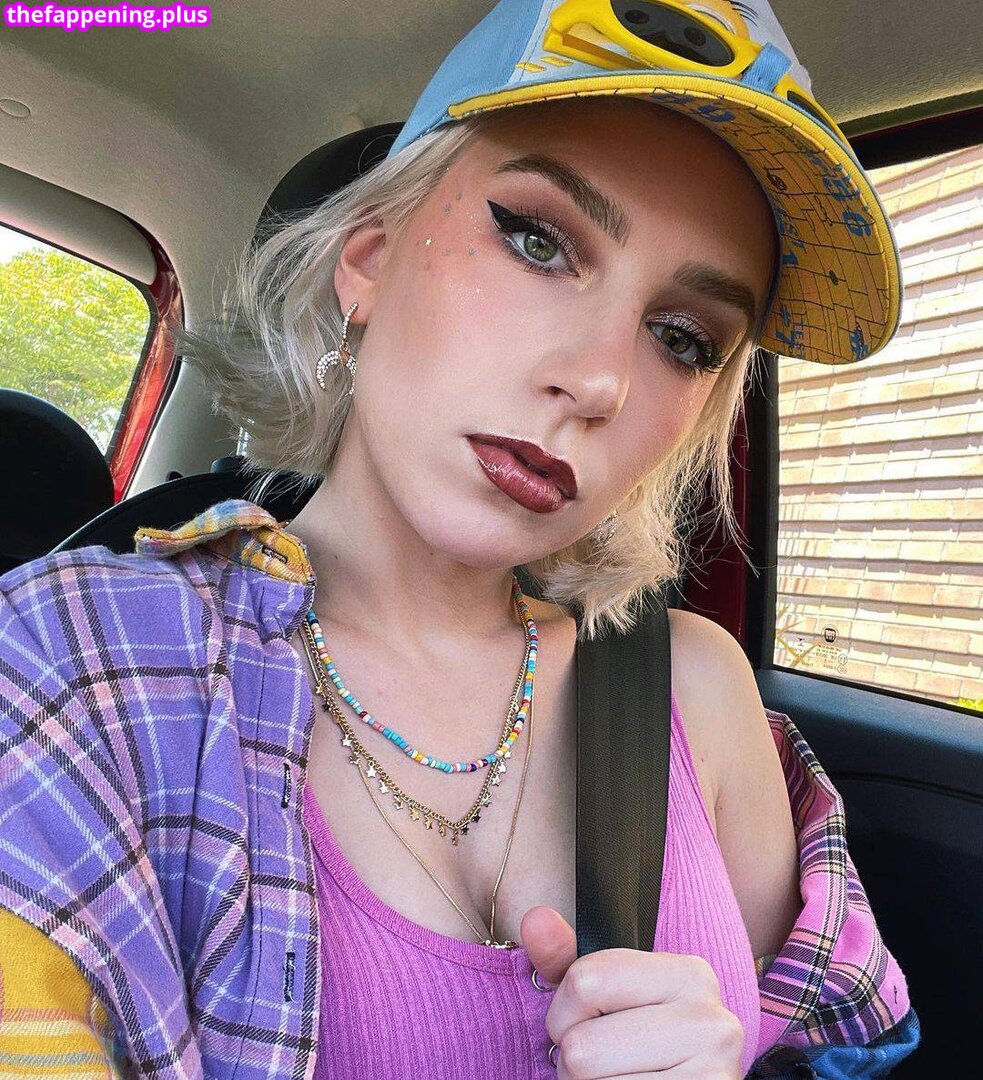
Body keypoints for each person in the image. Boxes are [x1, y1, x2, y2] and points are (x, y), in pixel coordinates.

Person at [0, 1, 921, 1077]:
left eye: (681, 338)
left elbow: (819, 1046)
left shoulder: (693, 687)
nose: (600, 380)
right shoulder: (74, 665)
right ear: (369, 261)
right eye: (537, 242)